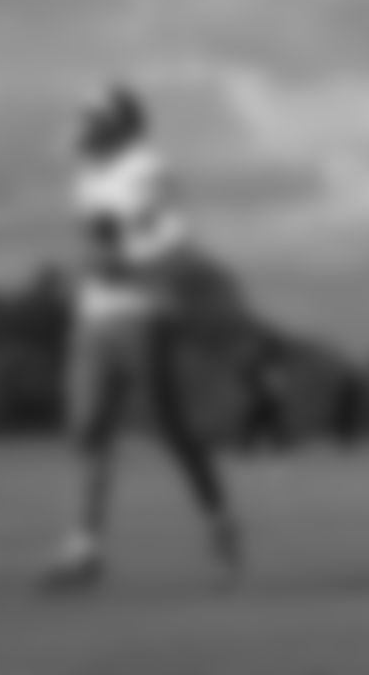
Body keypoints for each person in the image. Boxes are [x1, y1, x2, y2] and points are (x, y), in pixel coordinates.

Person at [42, 83, 245, 589]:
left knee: (170, 426)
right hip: (94, 316)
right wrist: (82, 274)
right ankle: (85, 548)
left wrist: (127, 263)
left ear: (118, 123)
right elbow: (95, 244)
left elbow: (172, 238)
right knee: (89, 427)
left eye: (92, 117)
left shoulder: (148, 168)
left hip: (144, 313)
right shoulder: (87, 174)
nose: (83, 126)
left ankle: (219, 518)